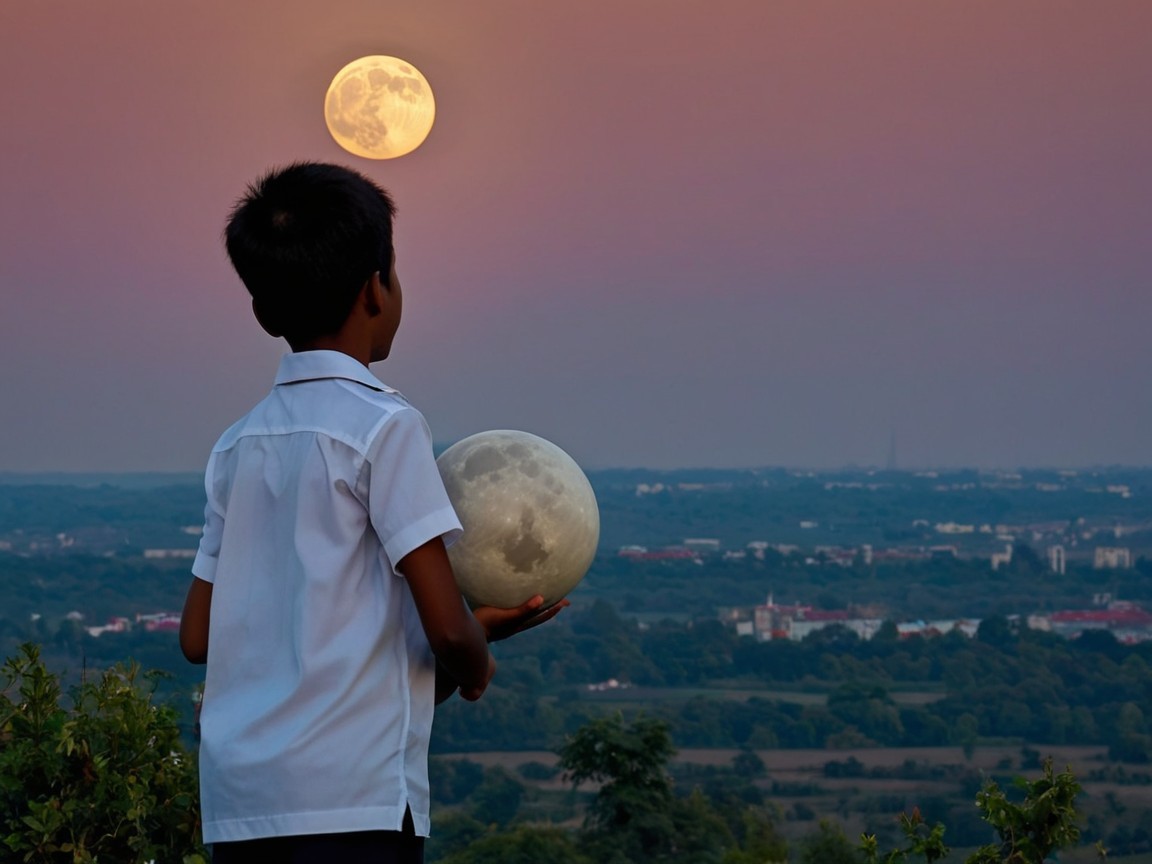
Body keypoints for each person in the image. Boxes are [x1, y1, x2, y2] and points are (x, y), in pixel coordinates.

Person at [179, 161, 563, 863]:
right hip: (353, 806)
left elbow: (199, 637)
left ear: (264, 312)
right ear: (376, 291)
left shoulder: (237, 446)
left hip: (240, 809)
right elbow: (447, 632)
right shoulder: (385, 429)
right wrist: (477, 657)